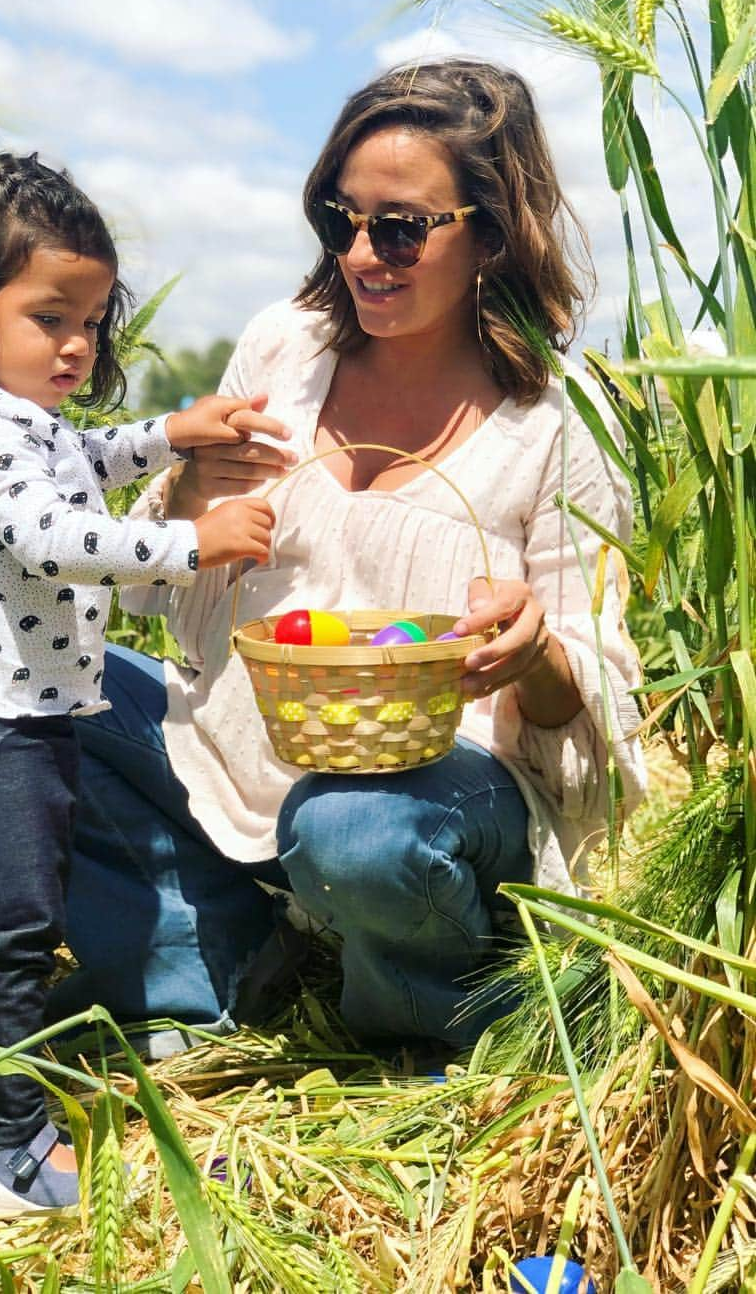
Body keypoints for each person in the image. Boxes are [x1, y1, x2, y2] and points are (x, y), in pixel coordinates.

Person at [42, 58, 646, 1057]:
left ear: (488, 232)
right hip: (238, 754)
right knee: (19, 685)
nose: (365, 254)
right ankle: (214, 969)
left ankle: (428, 1021)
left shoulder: (556, 429)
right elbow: (156, 589)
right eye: (342, 219)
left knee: (352, 830)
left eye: (402, 228)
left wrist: (536, 653)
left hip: (435, 792)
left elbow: (592, 720)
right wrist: (196, 486)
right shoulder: (284, 348)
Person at [0, 152, 282, 1219]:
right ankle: (8, 1157)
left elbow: (86, 458)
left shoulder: (19, 424)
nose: (78, 344)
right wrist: (190, 541)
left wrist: (172, 434)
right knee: (18, 931)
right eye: (49, 316)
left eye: (95, 321)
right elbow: (55, 535)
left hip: (6, 721)